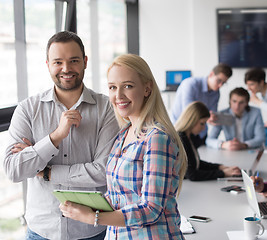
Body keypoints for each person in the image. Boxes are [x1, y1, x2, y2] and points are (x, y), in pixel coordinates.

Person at [3, 31, 120, 239]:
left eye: (73, 60)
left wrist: (46, 171)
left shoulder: (106, 108)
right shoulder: (28, 109)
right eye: (58, 62)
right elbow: (14, 170)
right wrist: (55, 137)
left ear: (84, 62)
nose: (66, 69)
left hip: (92, 232)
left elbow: (104, 172)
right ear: (48, 64)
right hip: (41, 232)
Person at [59, 54, 187, 239]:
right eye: (112, 87)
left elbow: (152, 209)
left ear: (147, 88)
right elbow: (119, 196)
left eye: (128, 86)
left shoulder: (157, 138)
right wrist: (86, 205)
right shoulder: (124, 134)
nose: (118, 96)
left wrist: (93, 217)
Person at [175, 101, 241, 181]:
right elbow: (192, 174)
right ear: (192, 120)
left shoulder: (190, 137)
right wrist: (223, 173)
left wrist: (220, 167)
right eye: (202, 123)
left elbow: (196, 164)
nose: (203, 128)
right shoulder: (181, 139)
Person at [171, 63, 233, 146]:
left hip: (200, 132)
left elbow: (211, 113)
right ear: (211, 74)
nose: (220, 85)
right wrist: (208, 117)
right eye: (219, 80)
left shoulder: (216, 93)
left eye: (224, 83)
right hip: (181, 132)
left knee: (197, 158)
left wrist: (212, 118)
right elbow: (189, 111)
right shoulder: (190, 84)